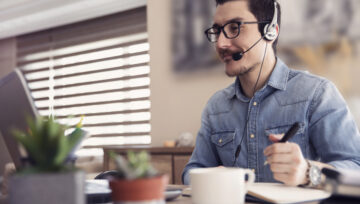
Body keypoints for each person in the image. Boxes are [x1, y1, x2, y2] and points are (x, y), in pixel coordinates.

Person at [182, 0, 360, 187]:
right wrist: (206, 175)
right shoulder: (216, 107)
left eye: (235, 28)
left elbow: (355, 167)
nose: (221, 43)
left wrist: (308, 172)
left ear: (270, 31)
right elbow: (191, 172)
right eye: (217, 31)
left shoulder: (317, 93)